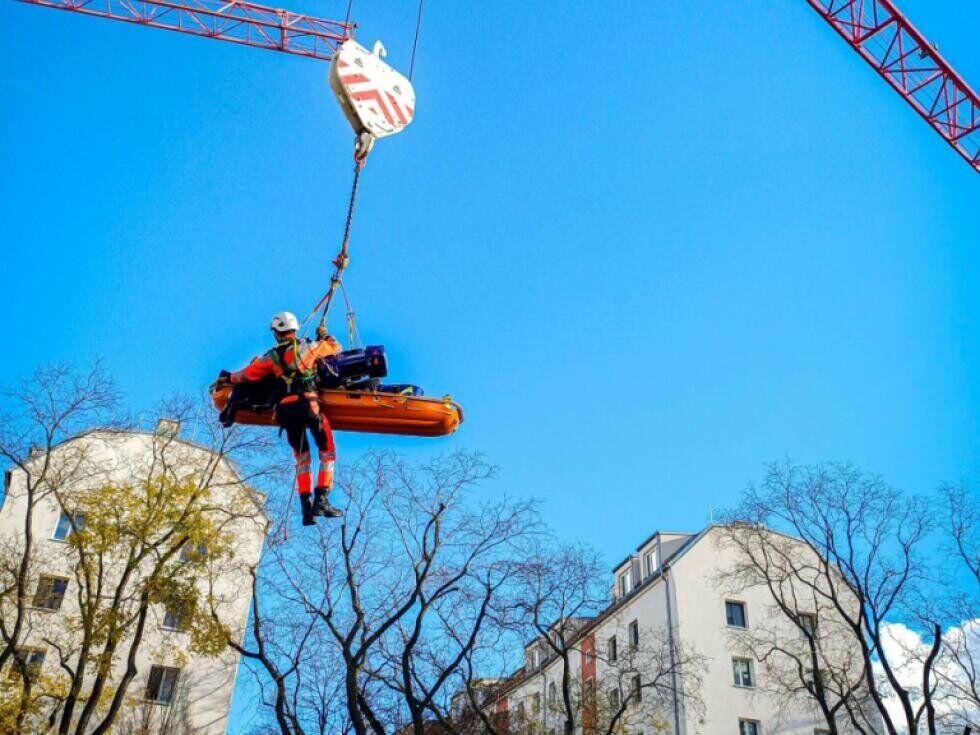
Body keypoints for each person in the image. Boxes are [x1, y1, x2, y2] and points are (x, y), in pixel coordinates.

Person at [218, 311, 343, 526]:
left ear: (277, 332)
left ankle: (306, 508)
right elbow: (335, 347)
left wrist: (228, 377)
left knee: (302, 459)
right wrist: (324, 335)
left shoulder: (269, 358)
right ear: (294, 329)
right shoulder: (309, 347)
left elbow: (246, 375)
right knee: (327, 451)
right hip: (308, 406)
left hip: (286, 410)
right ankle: (321, 499)